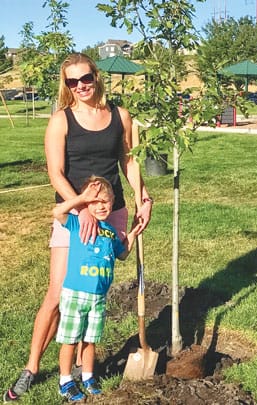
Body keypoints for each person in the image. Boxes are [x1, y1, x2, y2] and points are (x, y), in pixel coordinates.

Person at [4, 53, 153, 402]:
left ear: (96, 76)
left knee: (93, 290)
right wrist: (82, 207)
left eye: (85, 78)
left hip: (111, 211)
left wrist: (142, 197)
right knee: (58, 293)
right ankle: (32, 367)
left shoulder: (120, 116)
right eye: (72, 82)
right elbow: (55, 172)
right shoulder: (61, 120)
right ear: (65, 84)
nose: (80, 86)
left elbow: (128, 161)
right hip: (74, 215)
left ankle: (82, 369)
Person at [54, 177, 142, 401]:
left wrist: (132, 233)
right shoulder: (77, 224)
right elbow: (58, 212)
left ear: (112, 202)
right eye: (95, 201)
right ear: (86, 205)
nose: (101, 206)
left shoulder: (110, 232)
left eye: (106, 201)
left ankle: (88, 376)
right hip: (75, 293)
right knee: (70, 340)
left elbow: (122, 254)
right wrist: (81, 199)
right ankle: (65, 380)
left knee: (90, 340)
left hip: (98, 297)